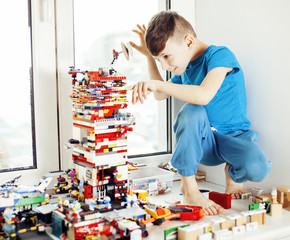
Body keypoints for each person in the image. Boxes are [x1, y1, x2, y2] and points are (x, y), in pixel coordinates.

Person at [128, 11, 271, 215]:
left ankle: (232, 173)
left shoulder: (220, 55)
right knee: (191, 111)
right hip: (205, 143)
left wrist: (154, 83)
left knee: (258, 168)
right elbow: (159, 94)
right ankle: (189, 188)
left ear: (188, 42)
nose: (165, 66)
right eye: (160, 60)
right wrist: (149, 59)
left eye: (166, 56)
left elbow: (203, 95)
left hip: (235, 138)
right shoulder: (184, 67)